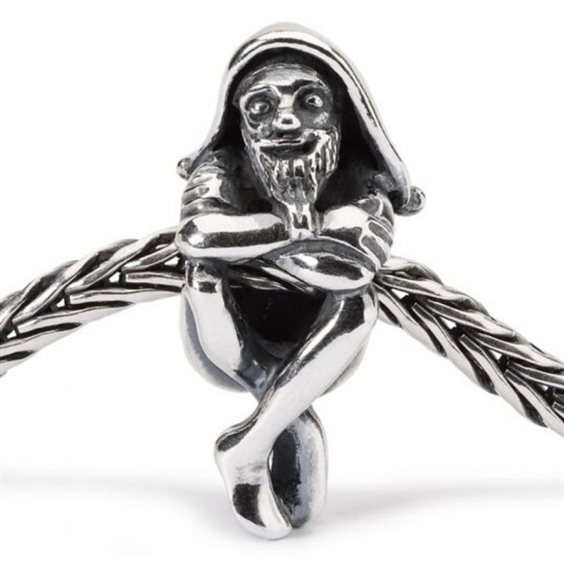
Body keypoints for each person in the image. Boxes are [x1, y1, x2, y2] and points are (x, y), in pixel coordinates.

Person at [175, 24, 424, 539]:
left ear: (343, 116)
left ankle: (248, 448)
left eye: (309, 102)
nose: (286, 121)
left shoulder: (361, 178)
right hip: (226, 335)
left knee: (359, 303)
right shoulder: (222, 167)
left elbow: (353, 267)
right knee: (202, 277)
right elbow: (197, 235)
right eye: (261, 108)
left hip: (321, 335)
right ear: (239, 122)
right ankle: (270, 426)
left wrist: (244, 243)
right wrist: (294, 229)